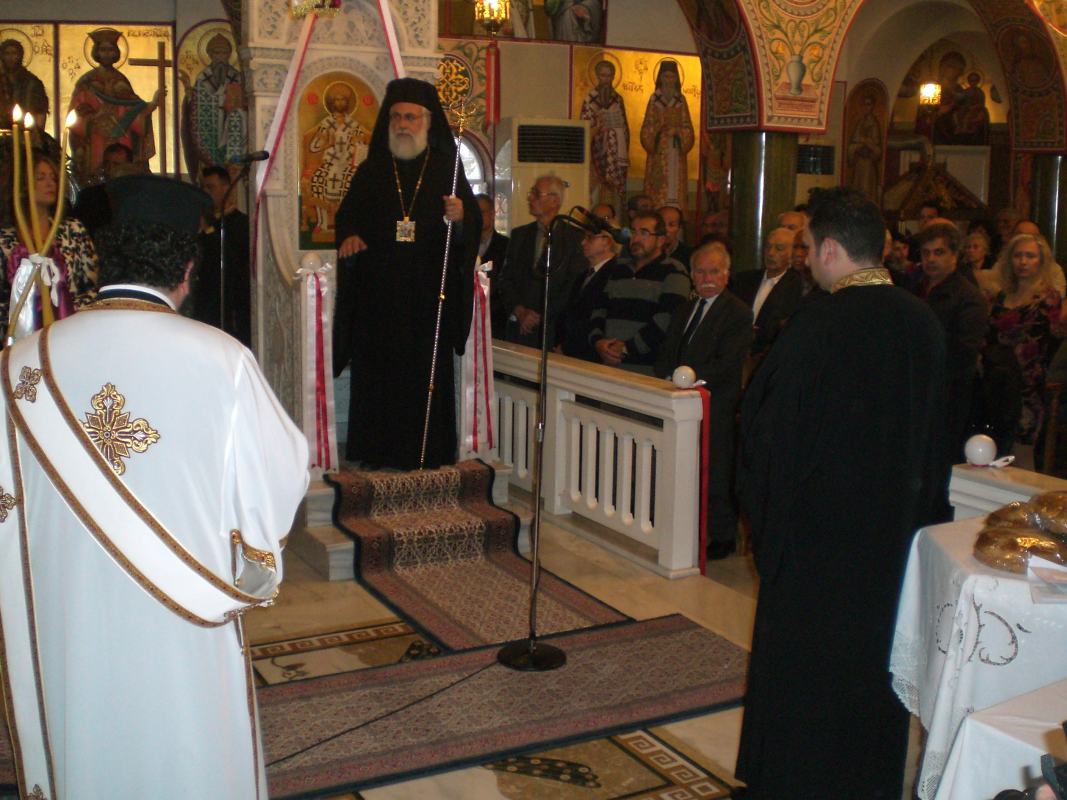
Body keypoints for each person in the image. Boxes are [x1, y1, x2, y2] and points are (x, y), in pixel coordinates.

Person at [0, 173, 308, 798]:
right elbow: (282, 473)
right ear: (188, 270)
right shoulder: (222, 360)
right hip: (184, 621)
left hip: (69, 612)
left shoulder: (21, 362)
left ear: (104, 260)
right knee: (188, 743)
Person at [735, 186, 947, 799]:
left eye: (805, 248)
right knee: (874, 671)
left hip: (818, 549)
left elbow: (767, 432)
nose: (803, 259)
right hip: (894, 545)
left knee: (807, 680)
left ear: (830, 249)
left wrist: (766, 527)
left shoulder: (819, 323)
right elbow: (939, 435)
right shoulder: (923, 323)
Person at [333, 78, 480, 470]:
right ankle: (377, 450)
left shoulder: (447, 168)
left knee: (423, 375)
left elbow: (472, 225)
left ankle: (428, 451)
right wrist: (350, 237)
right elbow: (347, 218)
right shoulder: (372, 170)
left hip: (429, 296)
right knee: (380, 375)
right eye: (396, 117)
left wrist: (461, 218)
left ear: (427, 122)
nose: (402, 124)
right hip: (379, 296)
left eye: (411, 117)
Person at [654, 242, 752, 559]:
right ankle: (683, 527)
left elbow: (727, 362)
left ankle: (722, 536)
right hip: (678, 399)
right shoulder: (685, 309)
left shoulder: (737, 312)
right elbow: (668, 350)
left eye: (714, 271)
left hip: (716, 402)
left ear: (726, 274)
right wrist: (666, 377)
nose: (706, 278)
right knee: (680, 467)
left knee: (716, 470)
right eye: (700, 271)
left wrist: (690, 379)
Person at [987, 234, 1066, 468]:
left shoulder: (1048, 298)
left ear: (1041, 261)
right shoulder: (1001, 295)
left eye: (1030, 256)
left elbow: (1052, 341)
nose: (1023, 261)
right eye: (1018, 255)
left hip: (1028, 385)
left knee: (1021, 453)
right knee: (994, 450)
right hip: (997, 381)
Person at [0, 152, 97, 334]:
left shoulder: (73, 231)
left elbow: (91, 286)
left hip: (70, 331)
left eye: (53, 178)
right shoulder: (4, 241)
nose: (50, 183)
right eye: (41, 178)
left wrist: (72, 314)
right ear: (23, 185)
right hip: (22, 336)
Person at [588, 210, 690, 375]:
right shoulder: (618, 268)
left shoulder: (674, 271)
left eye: (644, 233)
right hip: (607, 364)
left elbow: (666, 320)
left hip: (646, 370)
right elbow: (599, 308)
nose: (636, 239)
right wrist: (598, 341)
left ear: (660, 240)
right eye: (633, 232)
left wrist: (626, 349)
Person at [497, 174, 585, 349]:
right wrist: (520, 311)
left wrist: (540, 316)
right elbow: (505, 279)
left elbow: (572, 285)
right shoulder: (519, 235)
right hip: (518, 328)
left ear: (554, 201)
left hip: (553, 330)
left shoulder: (574, 238)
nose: (530, 198)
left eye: (536, 194)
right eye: (531, 193)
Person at [69, 28, 164, 185]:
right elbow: (76, 115)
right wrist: (92, 118)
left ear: (116, 52)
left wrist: (152, 105)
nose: (107, 54)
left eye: (111, 50)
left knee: (122, 174)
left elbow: (134, 109)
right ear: (96, 52)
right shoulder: (87, 82)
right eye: (103, 50)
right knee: (97, 177)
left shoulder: (121, 81)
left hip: (121, 136)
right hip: (96, 136)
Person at [193, 165, 250, 346]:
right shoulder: (203, 221)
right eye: (203, 187)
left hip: (230, 304)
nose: (205, 192)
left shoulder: (241, 223)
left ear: (226, 188)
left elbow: (230, 259)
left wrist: (208, 231)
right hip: (204, 299)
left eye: (211, 187)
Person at [729, 226, 803, 361]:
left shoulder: (796, 286)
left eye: (779, 248)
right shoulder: (744, 280)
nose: (770, 253)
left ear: (791, 253)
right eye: (768, 247)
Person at [307, 82, 369, 235]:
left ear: (347, 103)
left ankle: (349, 225)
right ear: (332, 103)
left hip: (348, 164)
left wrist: (358, 143)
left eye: (343, 100)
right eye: (337, 100)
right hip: (330, 163)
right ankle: (322, 223)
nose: (340, 103)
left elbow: (363, 147)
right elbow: (313, 147)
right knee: (318, 179)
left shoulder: (354, 125)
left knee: (352, 183)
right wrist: (326, 144)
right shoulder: (326, 123)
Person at [181, 32, 247, 173]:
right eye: (217, 53)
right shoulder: (203, 77)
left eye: (225, 53)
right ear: (210, 55)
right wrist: (189, 94)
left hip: (229, 129)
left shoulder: (236, 77)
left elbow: (242, 103)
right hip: (209, 130)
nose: (221, 57)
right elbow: (195, 104)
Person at [555, 225, 620, 361]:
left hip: (592, 352)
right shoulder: (583, 275)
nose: (583, 242)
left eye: (589, 238)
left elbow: (593, 316)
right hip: (572, 351)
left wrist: (567, 347)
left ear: (606, 242)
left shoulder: (615, 274)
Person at [640, 60, 695, 216]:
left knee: (675, 185)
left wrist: (677, 131)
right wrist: (659, 130)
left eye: (672, 77)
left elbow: (687, 126)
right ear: (661, 78)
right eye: (666, 77)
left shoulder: (680, 100)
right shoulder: (654, 99)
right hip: (659, 151)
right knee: (659, 187)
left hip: (676, 151)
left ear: (676, 79)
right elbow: (647, 125)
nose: (669, 80)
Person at [580, 59, 629, 209]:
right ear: (597, 76)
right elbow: (585, 128)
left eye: (609, 76)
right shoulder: (590, 99)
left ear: (613, 77)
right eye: (603, 75)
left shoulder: (618, 99)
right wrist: (599, 128)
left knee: (611, 199)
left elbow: (625, 128)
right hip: (596, 153)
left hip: (614, 155)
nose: (606, 79)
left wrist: (617, 132)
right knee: (594, 197)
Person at [474, 193, 510, 336]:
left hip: (495, 320)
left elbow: (506, 282)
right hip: (470, 317)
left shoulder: (506, 245)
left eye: (481, 212)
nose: (477, 217)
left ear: (492, 214)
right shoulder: (465, 245)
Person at [0, 38, 48, 132]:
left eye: (14, 53)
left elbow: (40, 114)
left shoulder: (33, 82)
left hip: (26, 134)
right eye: (7, 53)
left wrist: (36, 132)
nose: (10, 57)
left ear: (20, 55)